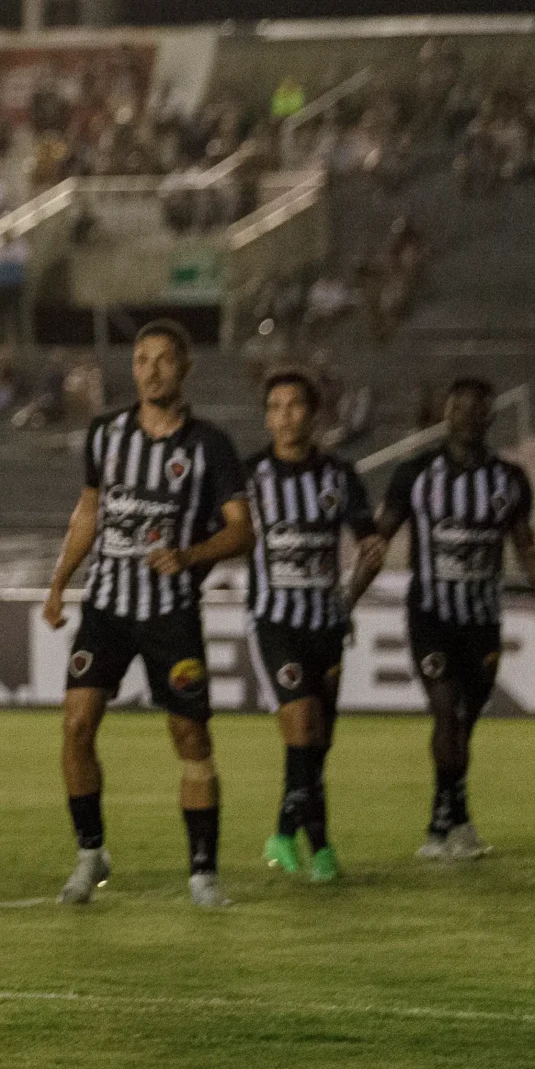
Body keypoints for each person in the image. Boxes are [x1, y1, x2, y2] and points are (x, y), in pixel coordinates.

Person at [43, 320, 252, 909]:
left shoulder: (209, 445)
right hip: (106, 607)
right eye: (141, 360)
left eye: (163, 360)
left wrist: (189, 555)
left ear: (185, 369)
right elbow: (89, 512)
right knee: (77, 724)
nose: (151, 371)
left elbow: (243, 531)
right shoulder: (106, 433)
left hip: (170, 613)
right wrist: (60, 581)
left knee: (188, 733)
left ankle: (203, 873)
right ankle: (90, 855)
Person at [369, 378, 535, 860]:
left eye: (476, 409)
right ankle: (441, 826)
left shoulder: (509, 480)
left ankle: (452, 817)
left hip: (482, 621)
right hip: (431, 615)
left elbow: (526, 551)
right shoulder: (414, 473)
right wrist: (348, 594)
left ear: (489, 417)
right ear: (447, 413)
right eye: (458, 407)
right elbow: (378, 539)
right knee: (448, 710)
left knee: (465, 724)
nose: (466, 416)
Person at [243, 371, 381, 882]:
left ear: (313, 413)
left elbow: (369, 546)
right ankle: (283, 834)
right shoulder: (249, 475)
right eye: (275, 406)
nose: (285, 415)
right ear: (267, 417)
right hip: (274, 622)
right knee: (301, 723)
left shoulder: (340, 476)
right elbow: (226, 532)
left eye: (295, 405)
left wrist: (351, 594)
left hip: (326, 624)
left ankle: (317, 845)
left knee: (316, 743)